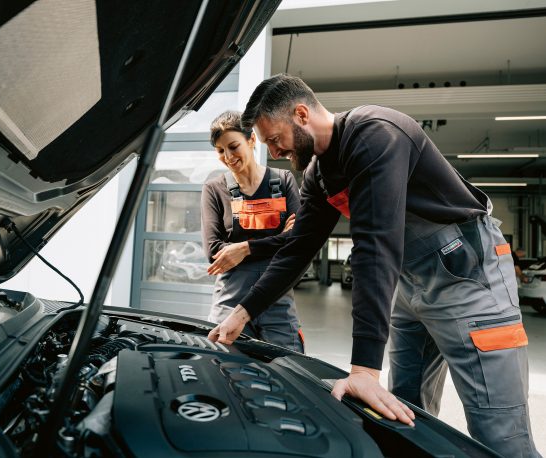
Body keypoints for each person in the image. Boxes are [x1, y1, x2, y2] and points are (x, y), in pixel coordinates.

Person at [207, 75, 540, 457]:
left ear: (300, 114)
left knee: (499, 435)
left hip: (469, 275)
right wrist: (243, 312)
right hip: (410, 283)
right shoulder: (318, 175)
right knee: (404, 413)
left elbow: (376, 244)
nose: (273, 151)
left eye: (273, 139)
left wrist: (364, 370)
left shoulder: (376, 133)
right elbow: (298, 250)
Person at [201, 110, 304, 352]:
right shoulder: (214, 189)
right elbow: (214, 251)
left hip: (276, 300)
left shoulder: (284, 180)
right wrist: (280, 238)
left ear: (251, 140)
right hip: (229, 303)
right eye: (220, 151)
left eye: (233, 146)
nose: (228, 156)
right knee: (226, 372)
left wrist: (245, 248)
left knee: (287, 370)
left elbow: (299, 238)